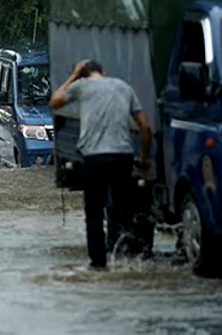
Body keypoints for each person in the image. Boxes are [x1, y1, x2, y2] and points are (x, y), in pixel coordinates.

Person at [51, 58, 152, 270]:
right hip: (122, 157)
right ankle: (131, 259)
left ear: (83, 74)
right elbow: (144, 126)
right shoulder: (123, 87)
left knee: (94, 213)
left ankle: (98, 264)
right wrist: (144, 158)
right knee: (123, 208)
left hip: (94, 158)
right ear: (103, 71)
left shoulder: (81, 86)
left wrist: (73, 76)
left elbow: (55, 102)